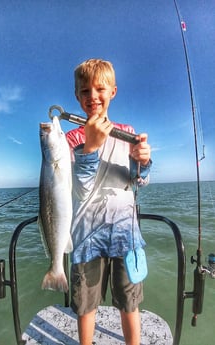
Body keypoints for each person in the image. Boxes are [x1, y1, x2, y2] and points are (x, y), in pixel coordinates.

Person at [66, 58, 152, 345]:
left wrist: (144, 161)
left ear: (113, 92)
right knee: (85, 305)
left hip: (125, 236)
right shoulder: (70, 139)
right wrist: (89, 147)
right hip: (86, 238)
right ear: (77, 96)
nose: (93, 97)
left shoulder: (126, 132)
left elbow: (138, 179)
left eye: (100, 89)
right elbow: (79, 188)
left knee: (129, 301)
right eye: (85, 91)